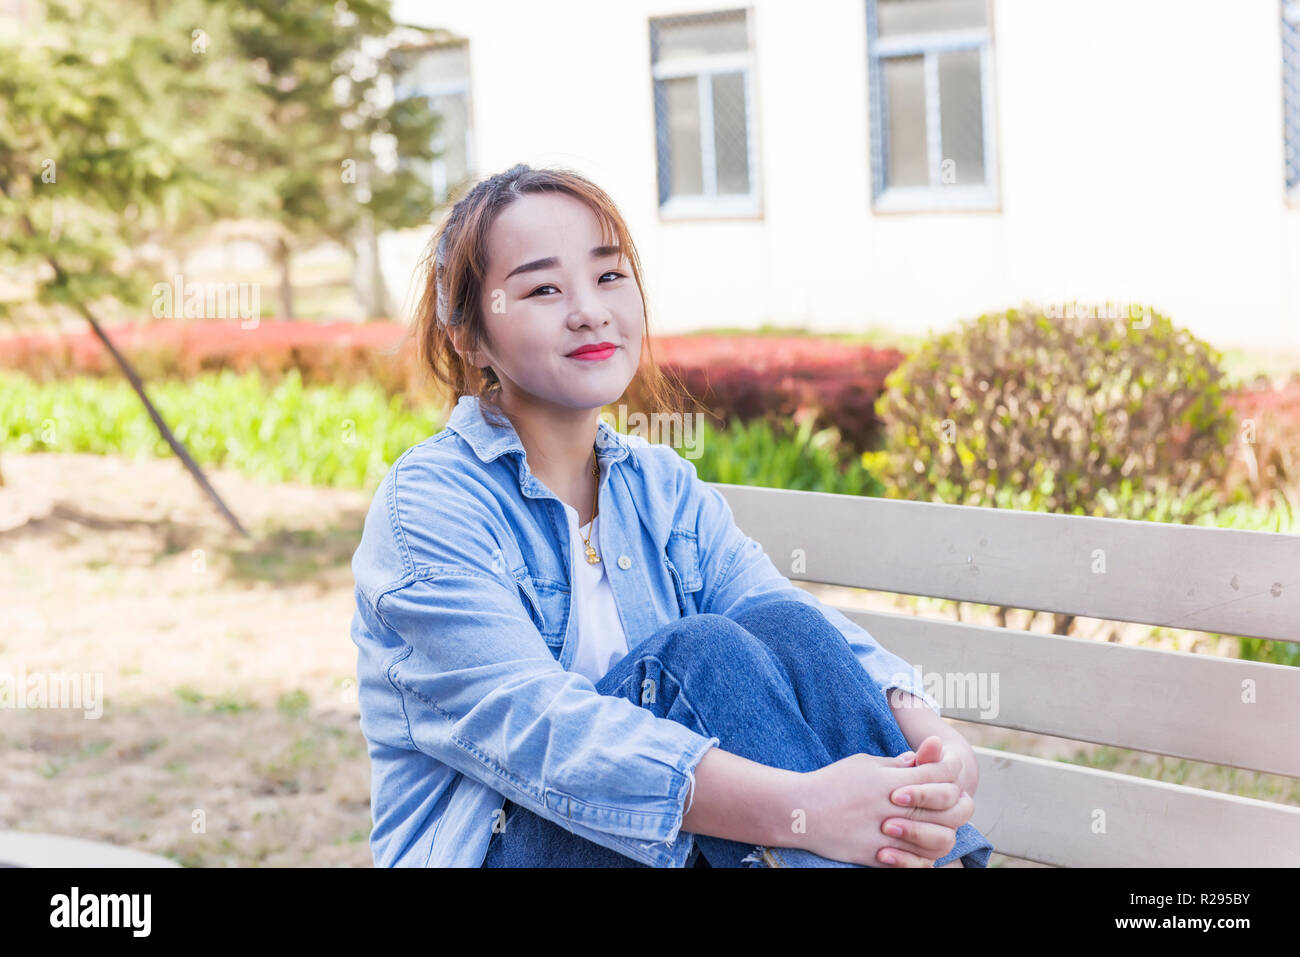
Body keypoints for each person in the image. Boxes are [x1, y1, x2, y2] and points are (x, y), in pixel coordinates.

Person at [350, 163, 993, 868]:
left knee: (783, 624)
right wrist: (807, 812)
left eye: (609, 276)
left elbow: (777, 609)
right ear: (473, 338)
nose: (589, 309)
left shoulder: (659, 485)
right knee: (698, 657)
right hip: (502, 847)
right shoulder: (431, 506)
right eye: (542, 288)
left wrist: (928, 735)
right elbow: (542, 735)